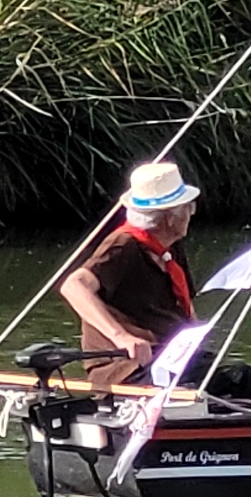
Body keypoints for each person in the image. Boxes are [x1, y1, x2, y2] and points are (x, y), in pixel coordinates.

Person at [58, 161, 200, 387]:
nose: (191, 214)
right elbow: (74, 286)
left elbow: (185, 308)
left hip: (170, 359)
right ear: (169, 217)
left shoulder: (169, 246)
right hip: (126, 369)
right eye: (188, 208)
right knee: (242, 381)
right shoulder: (123, 246)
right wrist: (120, 337)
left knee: (231, 376)